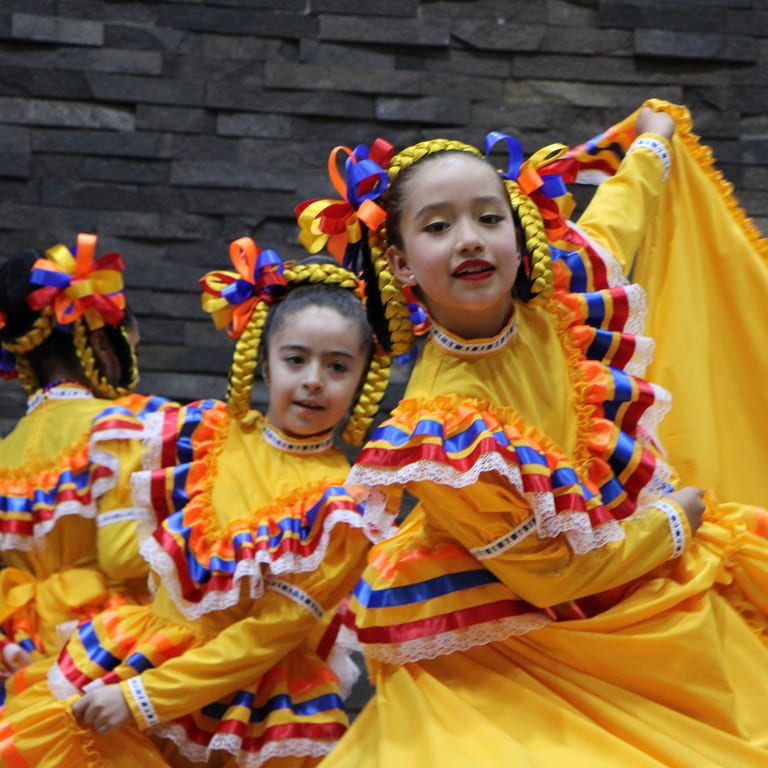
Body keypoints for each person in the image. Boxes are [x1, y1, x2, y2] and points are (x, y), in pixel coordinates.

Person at [292, 104, 768, 767]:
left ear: (518, 234)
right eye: (438, 226)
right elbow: (550, 579)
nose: (470, 239)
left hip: (625, 598)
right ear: (400, 264)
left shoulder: (558, 299)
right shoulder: (444, 430)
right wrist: (672, 524)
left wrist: (652, 148)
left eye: (490, 218)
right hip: (505, 642)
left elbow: (616, 218)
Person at [0, 238, 392, 768]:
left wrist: (143, 697)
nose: (313, 381)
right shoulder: (199, 436)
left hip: (244, 706)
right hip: (134, 658)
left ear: (364, 377)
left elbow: (264, 637)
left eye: (338, 367)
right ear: (265, 363)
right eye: (295, 359)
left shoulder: (340, 505)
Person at [0, 234, 172, 687]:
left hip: (29, 653)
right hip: (106, 652)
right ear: (99, 344)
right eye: (127, 349)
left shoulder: (5, 453)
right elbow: (123, 558)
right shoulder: (113, 425)